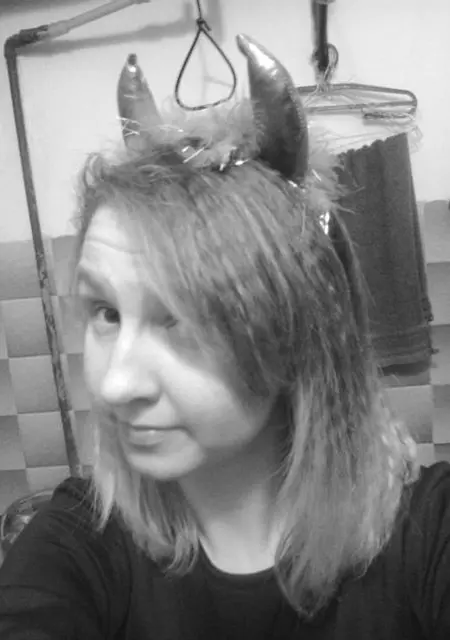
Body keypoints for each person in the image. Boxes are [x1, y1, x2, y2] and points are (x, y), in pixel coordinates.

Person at [0, 34, 449, 640]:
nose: (113, 384)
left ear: (297, 333)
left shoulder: (428, 532)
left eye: (180, 317)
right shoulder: (78, 540)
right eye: (106, 312)